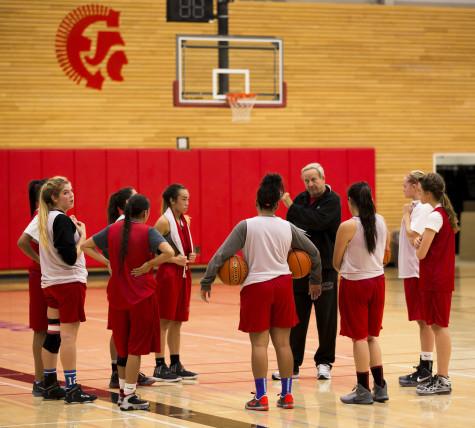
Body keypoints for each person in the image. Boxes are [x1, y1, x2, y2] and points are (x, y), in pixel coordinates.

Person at [200, 174, 322, 411]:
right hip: (283, 285)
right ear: (277, 204)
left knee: (259, 345)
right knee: (284, 344)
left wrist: (207, 280)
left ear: (257, 202)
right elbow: (314, 253)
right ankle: (287, 396)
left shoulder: (246, 225)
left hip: (257, 287)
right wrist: (315, 279)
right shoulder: (288, 226)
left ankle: (262, 397)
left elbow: (221, 255)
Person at [81, 194, 174, 410]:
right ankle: (130, 396)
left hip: (117, 296)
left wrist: (107, 261)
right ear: (145, 213)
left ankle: (123, 393)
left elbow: (85, 246)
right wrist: (150, 264)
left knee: (122, 348)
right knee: (135, 349)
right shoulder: (148, 231)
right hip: (141, 297)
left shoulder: (113, 230)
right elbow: (168, 252)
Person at [276, 162, 340, 381]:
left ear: (323, 178)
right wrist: (297, 211)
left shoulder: (333, 201)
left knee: (326, 318)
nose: (311, 184)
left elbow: (319, 222)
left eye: (314, 179)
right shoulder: (302, 200)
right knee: (297, 319)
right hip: (299, 268)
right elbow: (292, 228)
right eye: (306, 180)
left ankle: (324, 362)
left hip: (325, 268)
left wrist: (291, 206)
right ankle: (292, 364)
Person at [37, 176, 97, 403]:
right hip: (68, 284)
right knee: (69, 336)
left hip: (51, 284)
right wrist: (82, 236)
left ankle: (50, 383)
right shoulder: (61, 220)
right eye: (65, 192)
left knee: (53, 334)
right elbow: (71, 258)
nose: (71, 195)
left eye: (72, 191)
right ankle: (72, 388)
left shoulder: (44, 218)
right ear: (54, 197)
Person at [333, 181, 390, 405]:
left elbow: (336, 261)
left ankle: (363, 389)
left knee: (358, 338)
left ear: (350, 201)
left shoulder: (347, 226)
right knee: (371, 336)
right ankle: (381, 386)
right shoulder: (381, 220)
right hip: (378, 281)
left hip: (355, 284)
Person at [106, 187, 155, 389]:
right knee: (125, 334)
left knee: (119, 331)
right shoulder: (124, 226)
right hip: (130, 287)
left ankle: (118, 373)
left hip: (121, 286)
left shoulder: (122, 225)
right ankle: (121, 376)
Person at [414, 173, 458, 396]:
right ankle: (441, 376)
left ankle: (443, 377)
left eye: (420, 191)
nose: (418, 194)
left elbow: (421, 253)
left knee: (440, 327)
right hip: (436, 278)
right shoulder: (441, 214)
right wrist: (421, 241)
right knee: (436, 326)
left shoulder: (434, 216)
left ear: (428, 193)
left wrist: (418, 244)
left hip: (436, 278)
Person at [151, 184, 197, 382]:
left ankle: (175, 363)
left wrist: (190, 255)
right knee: (164, 321)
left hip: (183, 273)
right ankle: (159, 365)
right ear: (172, 201)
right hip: (168, 275)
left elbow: (182, 248)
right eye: (183, 199)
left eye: (188, 199)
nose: (187, 202)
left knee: (178, 321)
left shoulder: (184, 220)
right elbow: (150, 249)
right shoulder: (163, 222)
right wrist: (172, 259)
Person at [398, 171, 435, 387]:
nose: (403, 189)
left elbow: (415, 236)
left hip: (417, 271)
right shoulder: (417, 208)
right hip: (411, 271)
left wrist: (405, 215)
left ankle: (426, 368)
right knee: (422, 321)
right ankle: (424, 366)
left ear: (415, 186)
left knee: (425, 321)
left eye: (405, 185)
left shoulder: (421, 209)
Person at [17, 178, 48, 396]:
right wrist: (40, 260)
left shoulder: (47, 216)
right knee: (41, 328)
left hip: (48, 276)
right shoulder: (40, 217)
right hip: (40, 276)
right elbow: (22, 242)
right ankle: (39, 379)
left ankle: (47, 377)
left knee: (50, 329)